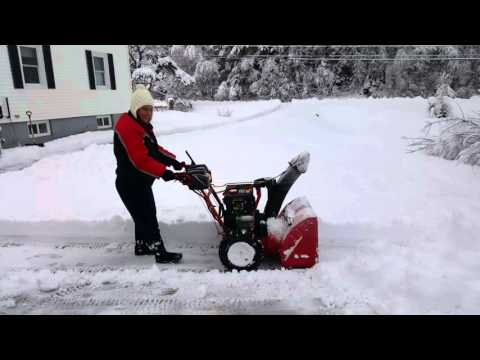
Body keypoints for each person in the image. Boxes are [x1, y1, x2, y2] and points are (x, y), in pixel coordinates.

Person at [114, 85, 185, 263]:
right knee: (147, 217)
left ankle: (141, 246)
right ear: (135, 108)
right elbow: (140, 160)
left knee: (142, 215)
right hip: (131, 183)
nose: (148, 113)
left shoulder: (139, 124)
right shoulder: (128, 127)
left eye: (151, 109)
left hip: (138, 182)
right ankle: (159, 252)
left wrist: (173, 161)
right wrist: (164, 172)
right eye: (144, 109)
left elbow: (153, 150)